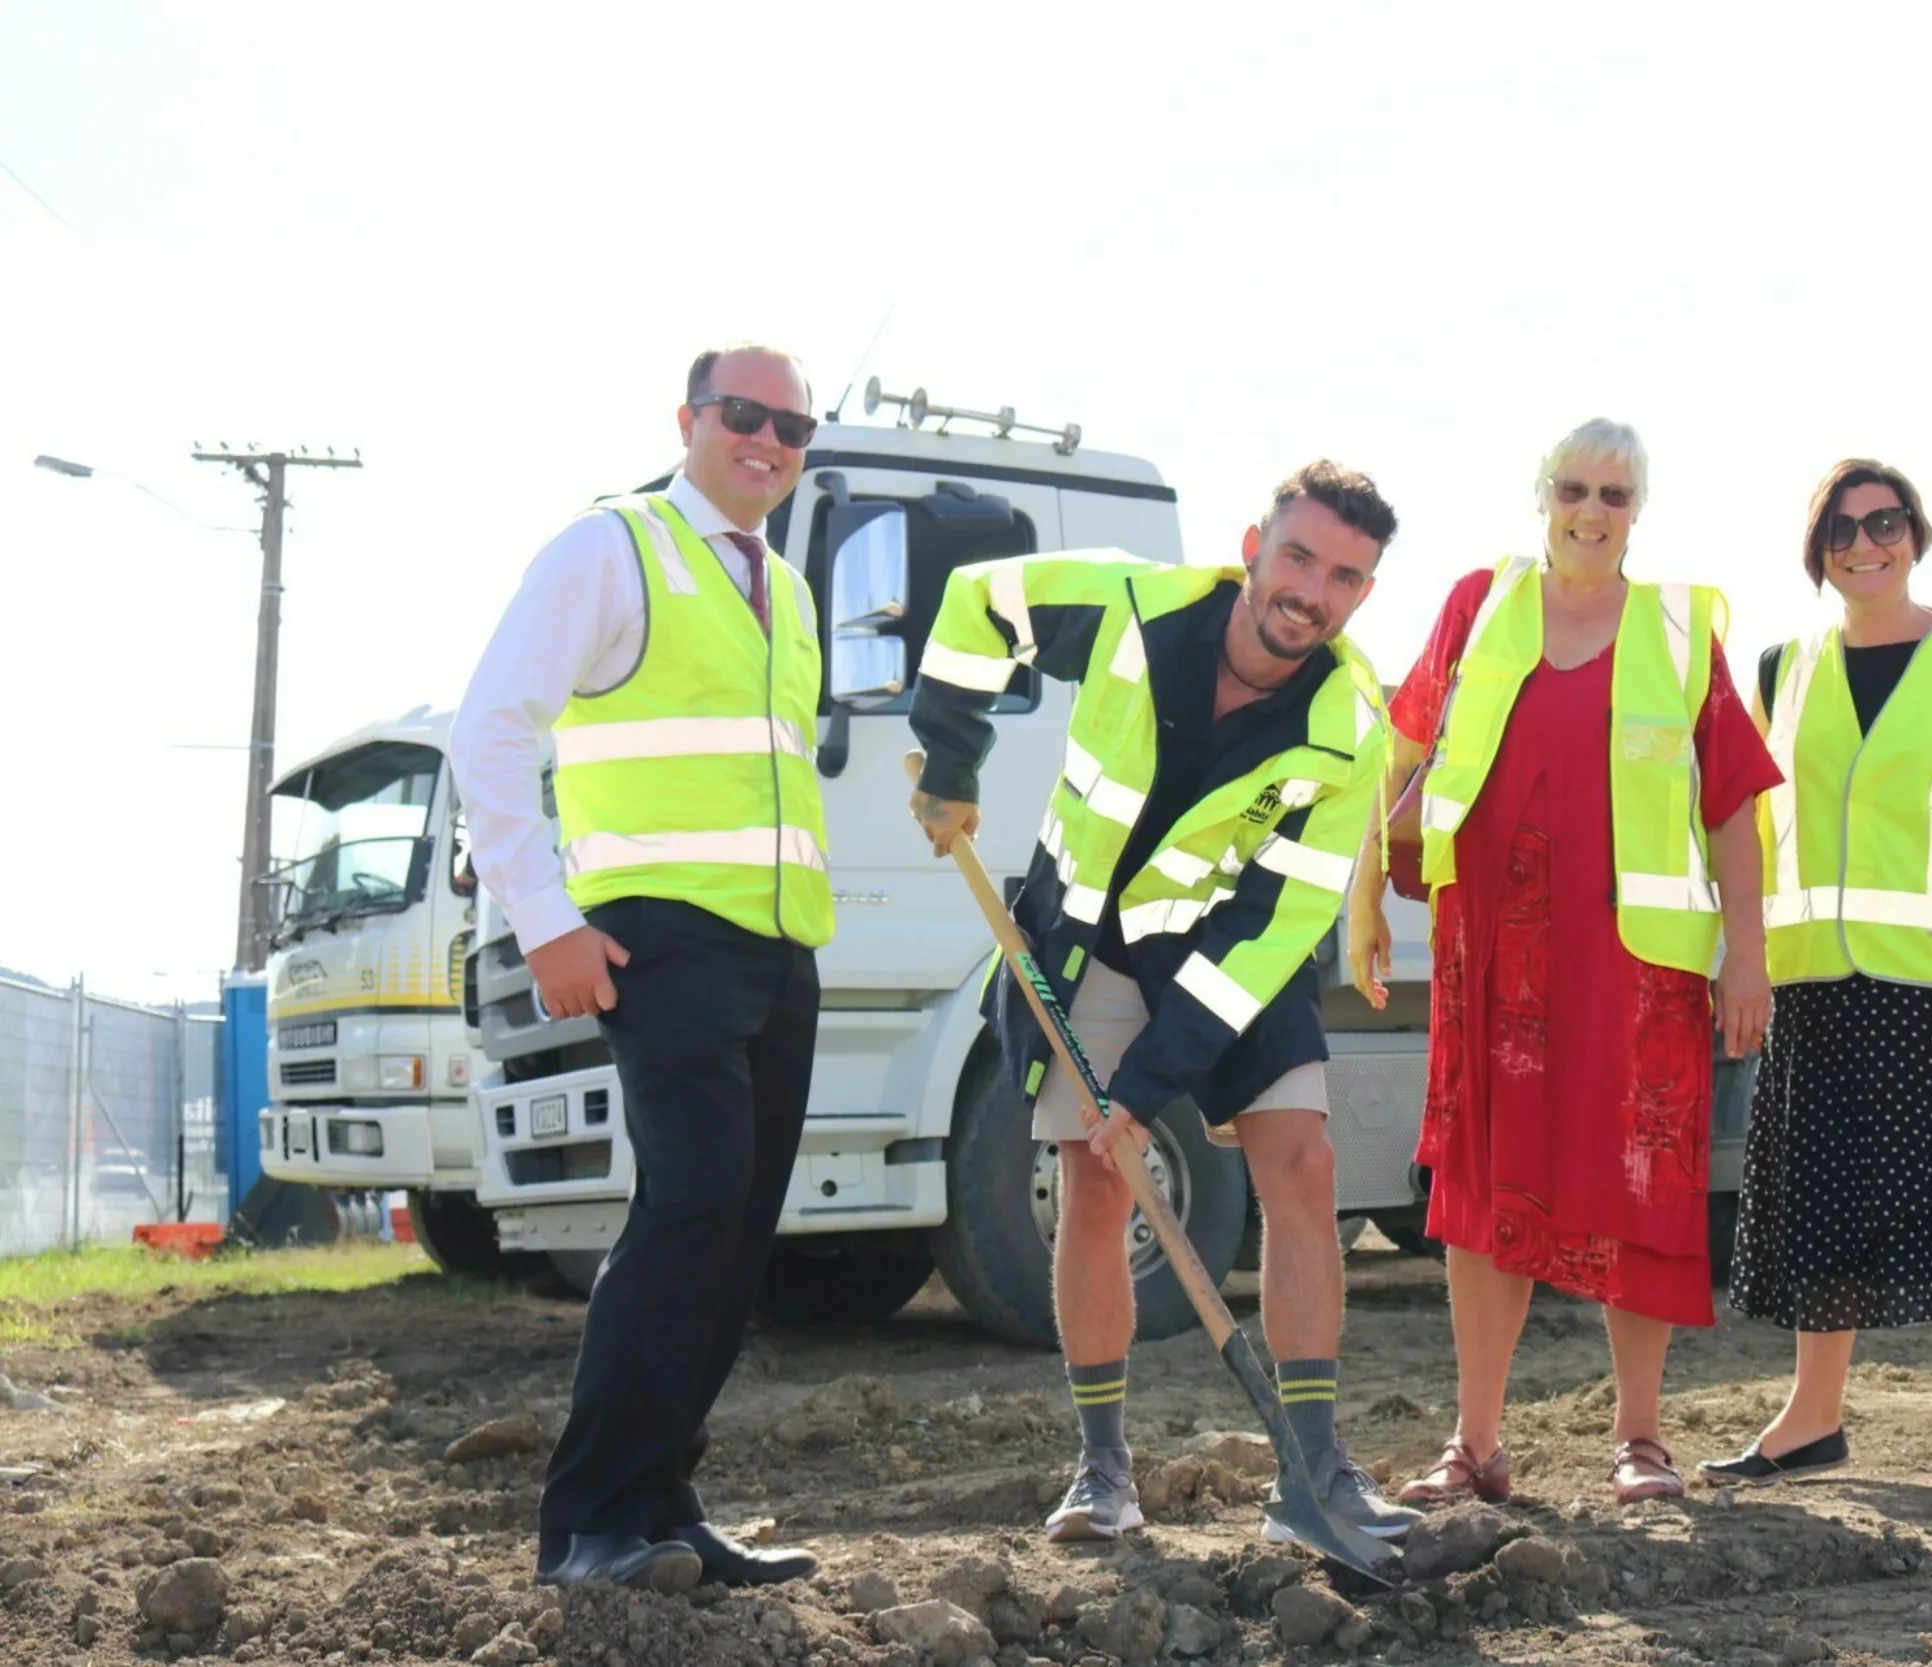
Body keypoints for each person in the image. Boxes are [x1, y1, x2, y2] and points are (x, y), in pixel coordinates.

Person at [906, 463, 1423, 1548]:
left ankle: (1310, 1470)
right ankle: (1101, 1469)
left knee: (1305, 1163)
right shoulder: (1128, 604)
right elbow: (977, 606)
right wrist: (953, 753)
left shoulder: (1346, 728)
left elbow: (1270, 930)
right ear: (1251, 544)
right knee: (1095, 1177)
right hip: (1088, 925)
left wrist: (1149, 1085)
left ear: (1362, 595)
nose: (1310, 591)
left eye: (1343, 576)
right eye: (1297, 557)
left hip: (1229, 948)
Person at [450, 344, 831, 1591]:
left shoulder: (788, 587)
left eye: (792, 423)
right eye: (743, 414)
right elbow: (492, 725)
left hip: (778, 949)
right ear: (689, 419)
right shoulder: (612, 547)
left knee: (735, 1229)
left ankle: (664, 1503)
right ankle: (589, 1523)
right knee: (689, 1206)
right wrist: (542, 916)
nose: (767, 438)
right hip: (657, 939)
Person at [1351, 419, 1782, 1508]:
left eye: (1617, 493)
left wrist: (1749, 956)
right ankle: (1476, 1442)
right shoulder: (1476, 603)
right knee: (1480, 1184)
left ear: (1641, 508)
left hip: (1637, 966)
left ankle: (1639, 1436)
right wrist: (1364, 900)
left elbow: (1731, 799)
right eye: (1577, 488)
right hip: (1489, 953)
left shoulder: (1679, 632)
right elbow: (1400, 754)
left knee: (1640, 1186)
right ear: (1542, 493)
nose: (1594, 509)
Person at [1700, 458, 1932, 1495]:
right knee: (1825, 1213)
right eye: (1840, 528)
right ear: (1816, 549)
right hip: (1817, 988)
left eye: (1884, 521)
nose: (1863, 542)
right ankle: (1811, 1420)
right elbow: (1737, 825)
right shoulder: (1779, 669)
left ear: (1915, 532)